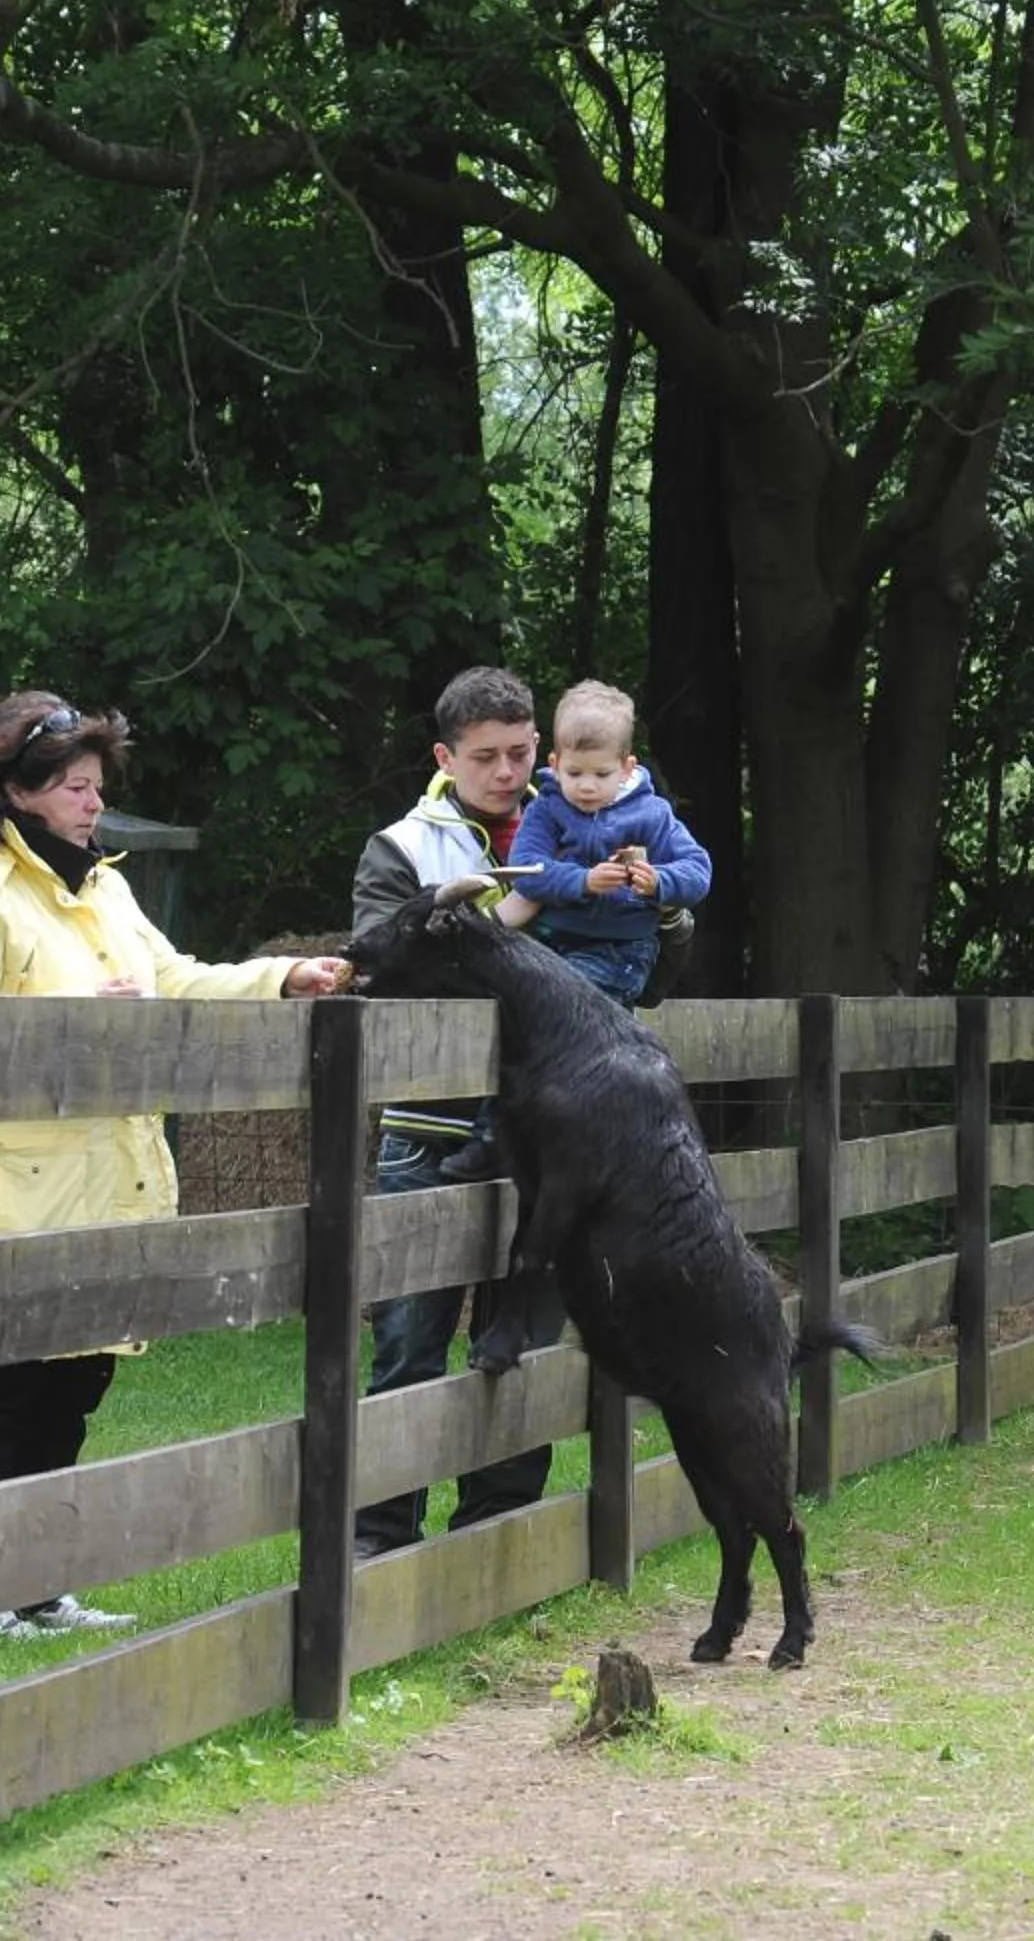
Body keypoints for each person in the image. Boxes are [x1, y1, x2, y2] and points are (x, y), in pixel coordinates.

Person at [0, 692, 348, 1636]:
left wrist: (280, 977)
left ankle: (34, 1587)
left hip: (108, 1177)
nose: (91, 802)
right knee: (2, 1390)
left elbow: (174, 977)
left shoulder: (102, 885)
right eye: (72, 785)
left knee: (74, 1387)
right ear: (13, 790)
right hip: (11, 1189)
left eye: (97, 786)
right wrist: (88, 1021)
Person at [347, 665, 558, 1560]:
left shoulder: (586, 830)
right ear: (446, 756)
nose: (507, 771)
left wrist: (664, 918)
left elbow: (639, 972)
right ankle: (379, 1546)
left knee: (527, 1347)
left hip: (549, 1136)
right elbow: (386, 972)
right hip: (429, 1130)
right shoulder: (400, 848)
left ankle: (495, 1542)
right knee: (407, 1345)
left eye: (520, 752)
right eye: (486, 757)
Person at [491, 678, 712, 1009]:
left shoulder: (651, 813)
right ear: (554, 764)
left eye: (601, 774)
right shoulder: (547, 809)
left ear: (626, 768)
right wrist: (583, 881)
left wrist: (658, 882)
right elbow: (525, 868)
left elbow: (697, 871)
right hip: (552, 941)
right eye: (575, 773)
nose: (587, 787)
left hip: (622, 948)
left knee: (570, 1006)